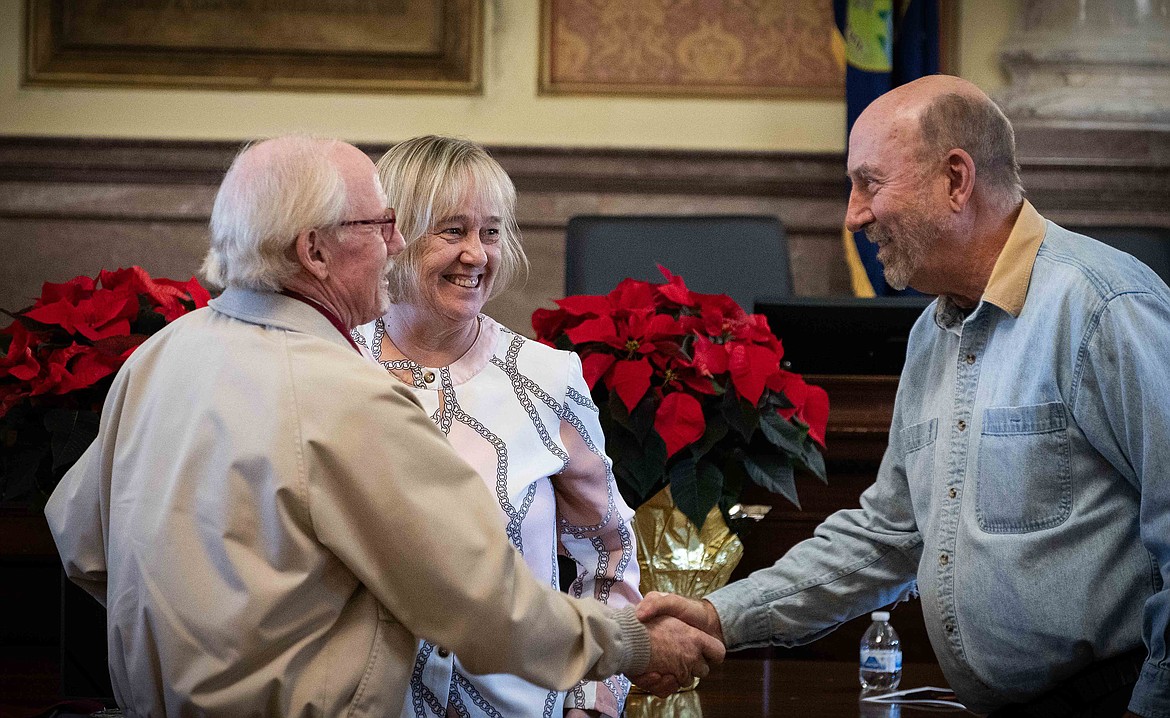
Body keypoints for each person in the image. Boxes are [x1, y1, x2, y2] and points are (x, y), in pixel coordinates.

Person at [43, 135, 723, 717]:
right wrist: (632, 644)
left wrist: (197, 636)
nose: (395, 244)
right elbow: (481, 605)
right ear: (314, 250)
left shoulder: (164, 353)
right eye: (381, 227)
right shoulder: (346, 390)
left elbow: (83, 543)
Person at [637, 75, 1170, 717]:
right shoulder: (932, 334)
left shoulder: (1105, 308)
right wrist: (718, 615)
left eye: (871, 183)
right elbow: (887, 536)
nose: (854, 215)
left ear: (955, 180)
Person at [350, 134, 642, 718]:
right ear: (395, 235)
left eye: (492, 232)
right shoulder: (332, 366)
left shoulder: (547, 377)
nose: (478, 254)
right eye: (453, 231)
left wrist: (591, 702)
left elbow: (608, 553)